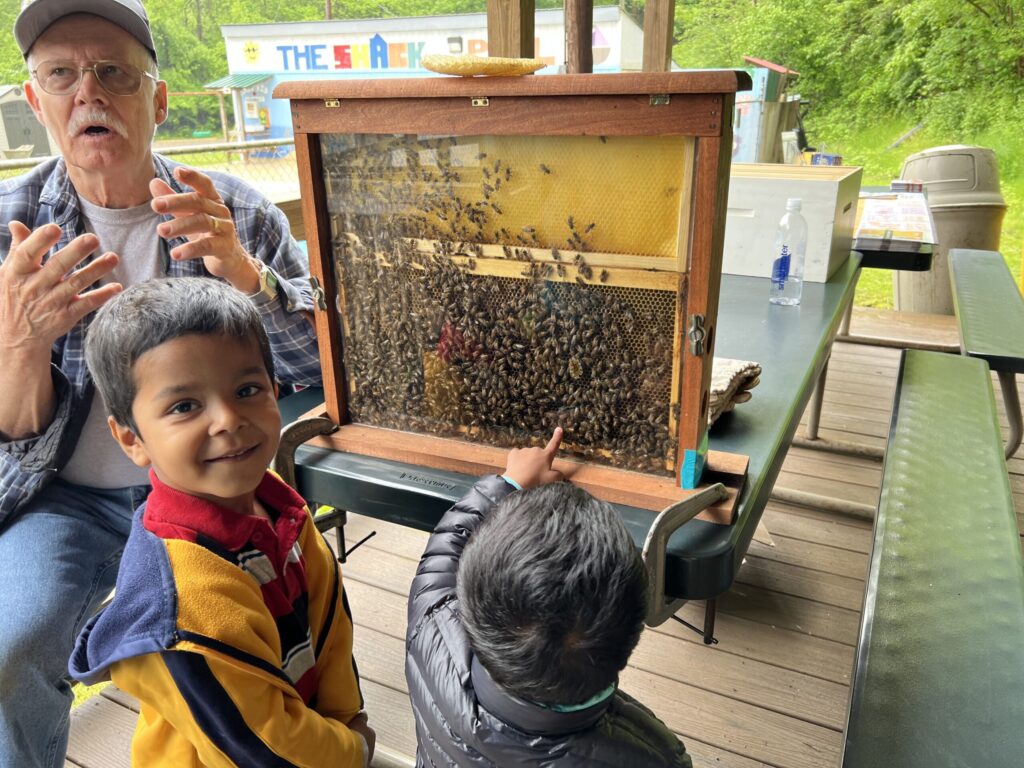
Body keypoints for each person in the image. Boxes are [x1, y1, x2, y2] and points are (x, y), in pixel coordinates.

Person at [0, 2, 320, 765]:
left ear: (159, 96)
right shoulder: (10, 226)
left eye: (114, 72)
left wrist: (248, 280)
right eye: (62, 75)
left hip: (211, 486)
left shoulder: (232, 206)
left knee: (243, 649)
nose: (90, 93)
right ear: (35, 98)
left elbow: (316, 372)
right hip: (64, 499)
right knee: (9, 652)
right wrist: (22, 339)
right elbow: (12, 432)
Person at [68, 277, 371, 766]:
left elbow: (329, 626)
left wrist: (345, 719)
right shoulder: (183, 604)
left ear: (276, 391)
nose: (228, 419)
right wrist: (351, 750)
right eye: (184, 406)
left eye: (247, 389)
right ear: (132, 439)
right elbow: (261, 749)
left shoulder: (282, 509)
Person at [405, 428, 693, 766]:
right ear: (634, 634)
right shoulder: (653, 758)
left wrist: (508, 483)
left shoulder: (430, 624)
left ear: (469, 592)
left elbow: (446, 548)